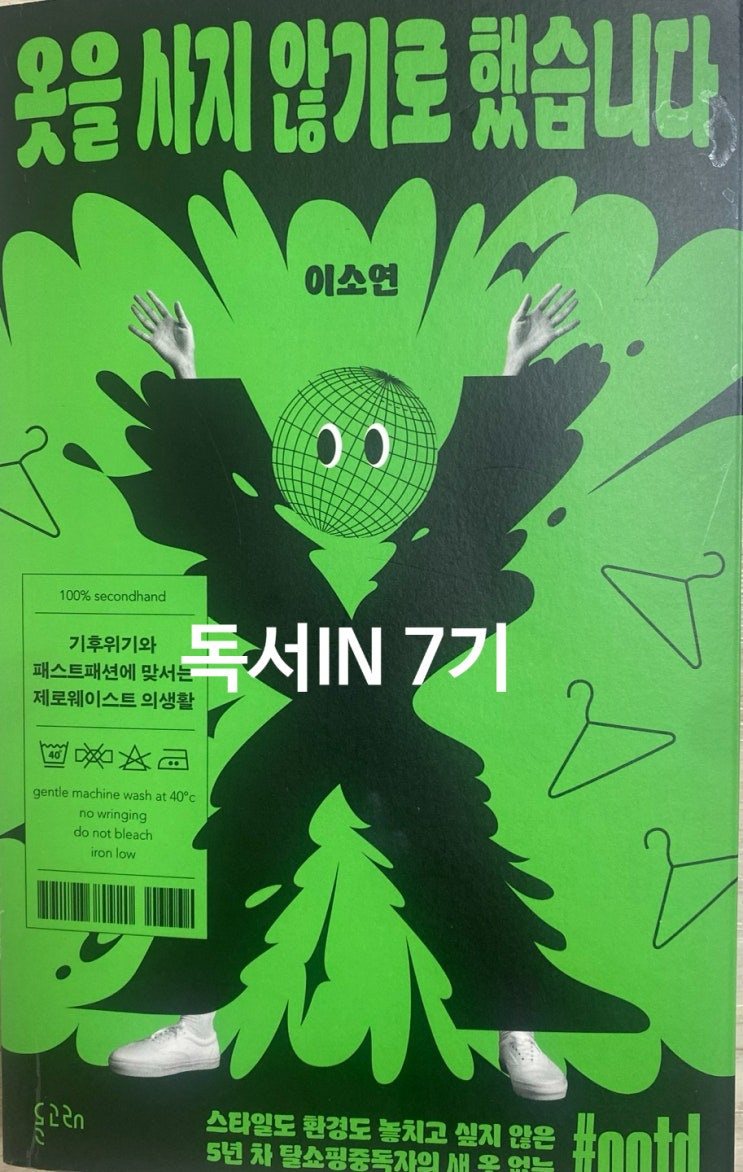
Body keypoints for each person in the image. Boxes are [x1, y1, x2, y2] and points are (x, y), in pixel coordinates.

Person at [108, 285, 592, 1101]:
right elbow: (218, 508)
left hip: (384, 720)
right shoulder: (271, 542)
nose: (350, 464)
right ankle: (195, 1029)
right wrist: (188, 373)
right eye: (331, 447)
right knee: (239, 840)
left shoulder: (425, 552)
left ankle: (516, 1030)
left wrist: (512, 364)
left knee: (456, 850)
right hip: (312, 716)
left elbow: (477, 509)